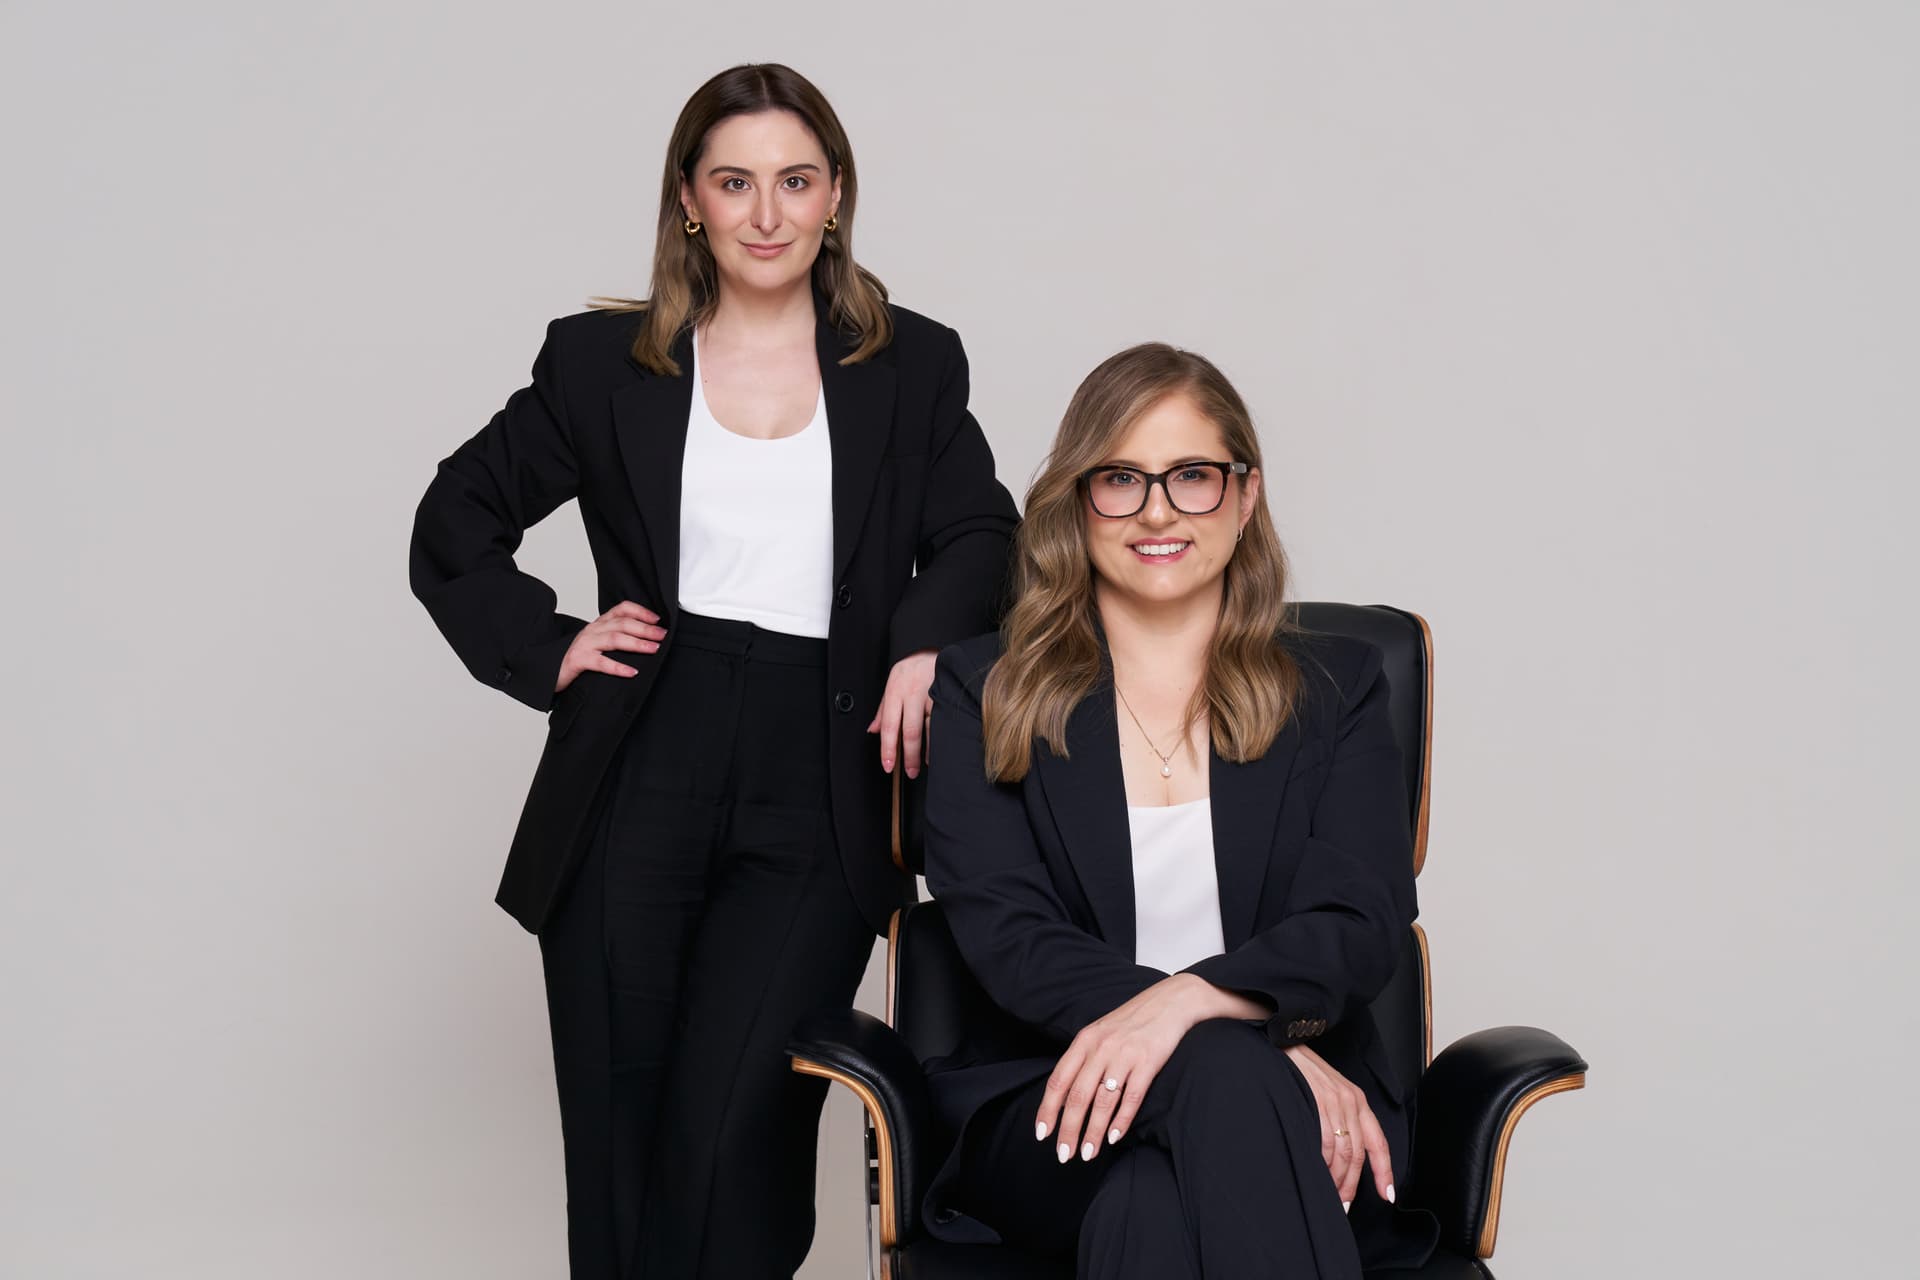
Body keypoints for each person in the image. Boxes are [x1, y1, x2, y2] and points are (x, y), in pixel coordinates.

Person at [408, 63, 1018, 1280]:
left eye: (796, 182)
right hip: (637, 763)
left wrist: (917, 647)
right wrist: (551, 648)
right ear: (690, 199)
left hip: (821, 776)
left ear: (836, 196)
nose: (767, 213)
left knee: (736, 1127)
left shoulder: (912, 366)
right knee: (622, 1134)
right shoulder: (600, 364)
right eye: (735, 183)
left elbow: (982, 536)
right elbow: (455, 522)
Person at [919, 344, 1440, 1277]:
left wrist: (1200, 1005)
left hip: (1311, 1114)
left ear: (1244, 498)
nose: (1157, 511)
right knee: (1226, 1081)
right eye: (1121, 478)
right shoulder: (983, 690)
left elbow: (1361, 920)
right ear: (1079, 504)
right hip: (1054, 1104)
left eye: (1192, 476)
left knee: (1152, 1212)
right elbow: (1009, 937)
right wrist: (1252, 1044)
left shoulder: (1338, 689)